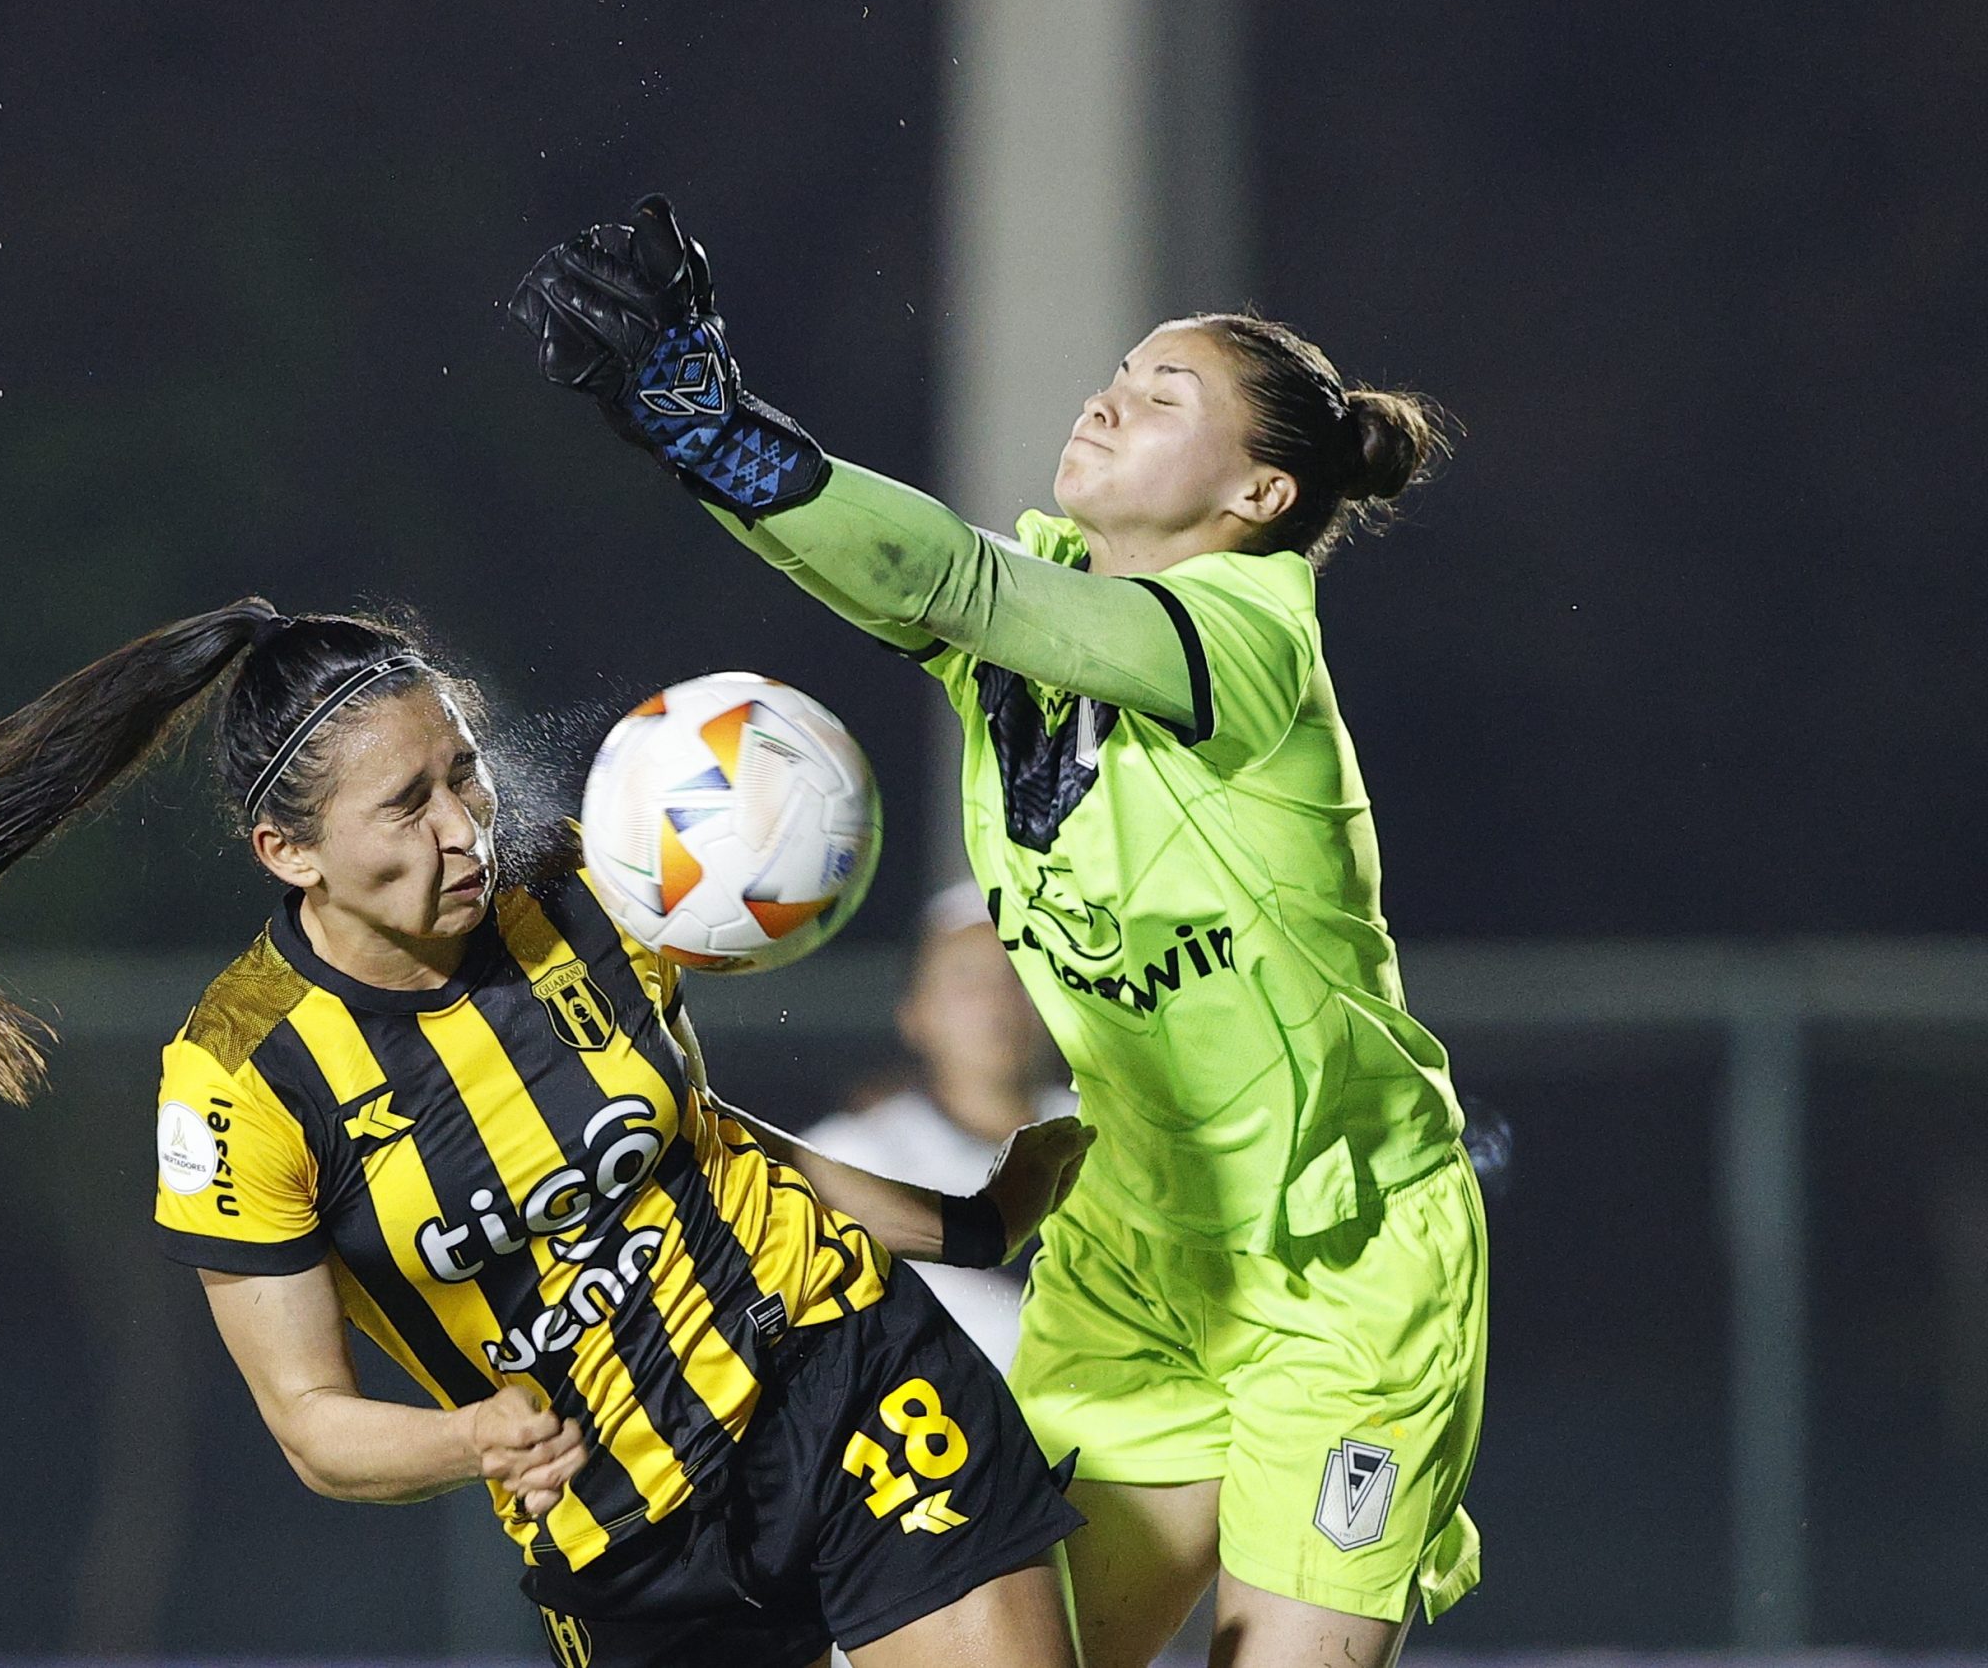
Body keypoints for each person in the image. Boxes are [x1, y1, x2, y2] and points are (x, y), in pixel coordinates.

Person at [513, 198, 1488, 1668]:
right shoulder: (1033, 620)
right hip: (1139, 1247)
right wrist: (688, 442)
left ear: (1262, 497)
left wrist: (726, 428)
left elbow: (944, 577)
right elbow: (871, 568)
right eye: (1119, 370)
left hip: (1344, 1264)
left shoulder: (1246, 636)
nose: (1111, 394)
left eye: (1169, 395)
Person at [0, 601, 1096, 1667]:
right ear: (287, 852)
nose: (462, 826)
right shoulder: (240, 1080)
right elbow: (312, 1422)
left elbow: (697, 1142)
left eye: (464, 770)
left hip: (839, 1374)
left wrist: (969, 1225)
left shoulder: (575, 886)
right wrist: (469, 1436)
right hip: (622, 1531)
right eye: (406, 804)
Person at [801, 883, 1075, 1372]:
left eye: (1019, 975)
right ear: (914, 1012)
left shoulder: (1118, 1142)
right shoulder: (848, 1157)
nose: (997, 1003)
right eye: (967, 980)